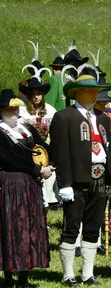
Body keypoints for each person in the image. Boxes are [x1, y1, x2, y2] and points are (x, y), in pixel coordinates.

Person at [50, 74, 111, 286]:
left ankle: (87, 274)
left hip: (99, 178)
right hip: (77, 180)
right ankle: (68, 274)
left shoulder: (103, 118)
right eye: (90, 90)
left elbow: (109, 149)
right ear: (77, 92)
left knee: (93, 226)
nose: (94, 94)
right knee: (71, 226)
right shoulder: (64, 117)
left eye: (96, 91)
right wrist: (65, 183)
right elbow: (60, 153)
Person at [0, 89, 53, 288]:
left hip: (30, 185)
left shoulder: (27, 129)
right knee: (11, 228)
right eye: (9, 109)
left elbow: (42, 147)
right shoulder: (1, 133)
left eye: (16, 109)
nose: (14, 113)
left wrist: (50, 163)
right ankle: (7, 277)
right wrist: (38, 169)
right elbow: (11, 157)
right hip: (9, 184)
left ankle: (24, 276)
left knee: (29, 228)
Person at [18, 77, 59, 207]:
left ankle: (51, 200)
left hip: (47, 145)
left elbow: (56, 130)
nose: (36, 97)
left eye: (39, 94)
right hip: (29, 147)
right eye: (33, 94)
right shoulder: (22, 111)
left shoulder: (51, 110)